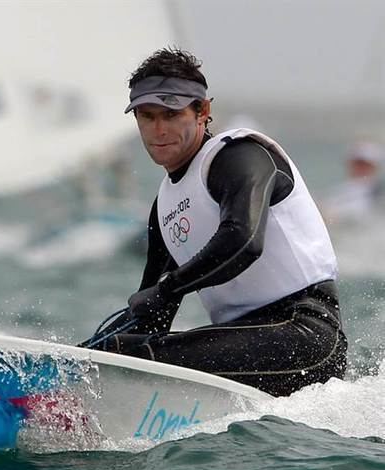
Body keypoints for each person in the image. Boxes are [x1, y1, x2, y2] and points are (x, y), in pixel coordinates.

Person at [82, 48, 347, 397]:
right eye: (146, 116)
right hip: (248, 344)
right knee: (115, 349)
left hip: (306, 335)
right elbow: (152, 314)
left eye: (171, 114)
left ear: (203, 111)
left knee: (130, 356)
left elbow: (244, 240)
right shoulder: (164, 206)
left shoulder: (239, 156)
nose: (158, 130)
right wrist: (81, 355)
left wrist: (167, 289)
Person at [321, 141, 383, 224]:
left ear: (374, 167)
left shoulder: (378, 192)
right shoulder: (341, 190)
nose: (360, 168)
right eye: (357, 163)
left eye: (364, 164)